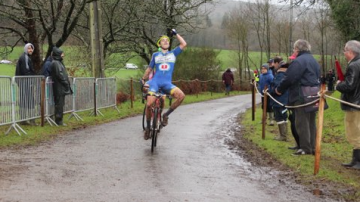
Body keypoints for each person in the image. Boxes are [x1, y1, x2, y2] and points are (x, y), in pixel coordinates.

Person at [275, 39, 320, 155]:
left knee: (301, 122)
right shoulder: (313, 60)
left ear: (297, 49)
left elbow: (289, 78)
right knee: (311, 121)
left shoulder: (299, 61)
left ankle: (305, 148)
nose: (294, 51)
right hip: (313, 94)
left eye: (294, 49)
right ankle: (312, 147)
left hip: (301, 95)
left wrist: (279, 89)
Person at [141, 29, 187, 140]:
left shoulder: (173, 53)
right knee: (148, 105)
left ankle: (165, 115)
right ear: (159, 44)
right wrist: (143, 79)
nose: (166, 41)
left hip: (167, 84)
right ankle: (148, 128)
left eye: (167, 40)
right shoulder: (155, 55)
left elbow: (184, 44)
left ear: (169, 43)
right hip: (155, 83)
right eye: (163, 40)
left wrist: (175, 34)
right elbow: (150, 68)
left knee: (181, 96)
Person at [336, 40, 360, 169]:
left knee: (354, 132)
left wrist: (339, 85)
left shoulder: (354, 65)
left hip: (354, 103)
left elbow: (349, 86)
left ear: (350, 52)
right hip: (358, 102)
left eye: (345, 51)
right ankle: (356, 160)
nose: (344, 53)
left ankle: (358, 161)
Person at [15, 43, 37, 126]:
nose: (30, 50)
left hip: (23, 82)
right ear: (25, 49)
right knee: (30, 101)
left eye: (31, 48)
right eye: (29, 48)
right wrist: (32, 79)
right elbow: (26, 71)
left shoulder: (26, 57)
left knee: (24, 100)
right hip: (25, 82)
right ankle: (31, 120)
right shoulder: (25, 58)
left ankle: (23, 120)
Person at [50, 47, 72, 126]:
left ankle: (59, 120)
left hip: (60, 86)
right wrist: (66, 83)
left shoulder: (58, 62)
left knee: (60, 104)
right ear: (58, 54)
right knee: (59, 104)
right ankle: (58, 121)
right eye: (62, 53)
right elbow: (60, 75)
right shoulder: (56, 63)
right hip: (59, 87)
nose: (63, 55)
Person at [269, 61, 289, 141]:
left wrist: (271, 91)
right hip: (285, 100)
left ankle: (283, 136)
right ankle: (284, 135)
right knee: (284, 116)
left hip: (278, 100)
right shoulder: (287, 75)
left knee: (279, 117)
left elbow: (277, 87)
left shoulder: (279, 75)